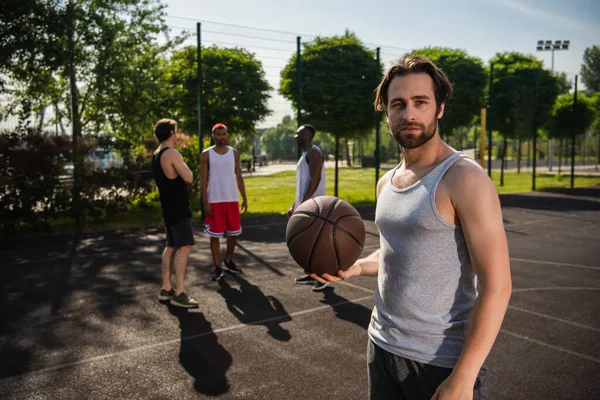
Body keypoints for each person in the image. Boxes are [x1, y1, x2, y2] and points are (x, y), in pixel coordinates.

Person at [310, 56, 512, 399]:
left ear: (439, 108)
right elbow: (392, 253)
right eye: (398, 104)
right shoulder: (386, 182)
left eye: (421, 102)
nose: (409, 114)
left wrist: (463, 378)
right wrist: (356, 267)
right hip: (383, 345)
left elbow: (498, 286)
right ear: (387, 112)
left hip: (440, 360)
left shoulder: (464, 178)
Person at [152, 118, 199, 308]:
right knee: (185, 247)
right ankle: (180, 292)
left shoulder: (156, 154)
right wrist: (182, 162)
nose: (177, 134)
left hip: (168, 206)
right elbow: (189, 177)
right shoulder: (171, 153)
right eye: (176, 131)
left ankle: (166, 288)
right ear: (171, 133)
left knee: (171, 246)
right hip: (178, 207)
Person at [201, 123, 248, 281]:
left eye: (224, 134)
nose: (221, 137)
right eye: (218, 134)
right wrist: (206, 203)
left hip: (232, 199)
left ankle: (228, 261)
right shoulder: (206, 154)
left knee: (233, 233)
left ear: (227, 135)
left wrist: (244, 198)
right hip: (215, 200)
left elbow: (239, 176)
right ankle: (217, 267)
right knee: (215, 235)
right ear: (213, 136)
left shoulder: (234, 153)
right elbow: (203, 180)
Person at [287, 124, 328, 292]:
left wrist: (304, 203)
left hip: (314, 205)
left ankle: (323, 275)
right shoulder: (305, 154)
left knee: (316, 242)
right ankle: (312, 274)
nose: (295, 136)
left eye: (299, 133)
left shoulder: (314, 153)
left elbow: (315, 179)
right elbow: (303, 183)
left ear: (308, 135)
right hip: (306, 204)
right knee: (308, 243)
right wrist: (294, 205)